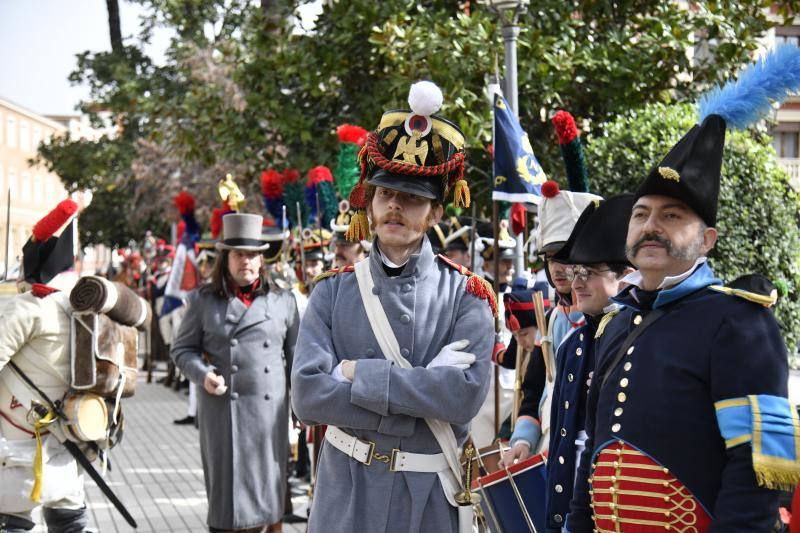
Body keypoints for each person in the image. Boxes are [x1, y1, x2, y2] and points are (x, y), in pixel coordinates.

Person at [569, 71, 800, 529]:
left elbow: (761, 470)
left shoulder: (738, 321)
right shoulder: (615, 322)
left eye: (672, 216)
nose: (652, 225)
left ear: (707, 239)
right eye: (641, 214)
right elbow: (593, 455)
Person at [291, 81, 496, 532]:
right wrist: (423, 388)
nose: (396, 207)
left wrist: (354, 375)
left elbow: (462, 398)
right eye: (386, 195)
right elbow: (307, 397)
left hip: (427, 501)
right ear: (371, 201)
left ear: (436, 213)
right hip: (346, 494)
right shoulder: (331, 292)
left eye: (413, 198)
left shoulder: (468, 295)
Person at [171, 213, 299, 533]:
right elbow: (181, 351)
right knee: (228, 503)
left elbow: (298, 359)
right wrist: (203, 375)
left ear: (262, 258)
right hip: (223, 412)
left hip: (270, 415)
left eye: (253, 254)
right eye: (239, 253)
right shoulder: (202, 301)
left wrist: (302, 405)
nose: (247, 260)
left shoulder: (283, 300)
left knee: (269, 500)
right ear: (225, 257)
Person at [541, 194, 634, 530]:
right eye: (575, 271)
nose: (577, 282)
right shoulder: (573, 346)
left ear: (626, 276)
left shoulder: (635, 341)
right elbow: (562, 444)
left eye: (590, 271)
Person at [0, 200, 89, 532]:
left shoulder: (26, 307)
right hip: (65, 437)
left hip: (20, 439)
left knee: (14, 519)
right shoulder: (73, 307)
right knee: (69, 520)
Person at [501, 180, 600, 461]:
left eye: (566, 257)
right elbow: (534, 393)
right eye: (550, 257)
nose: (557, 267)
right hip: (550, 448)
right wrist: (522, 441)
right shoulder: (551, 319)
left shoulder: (613, 322)